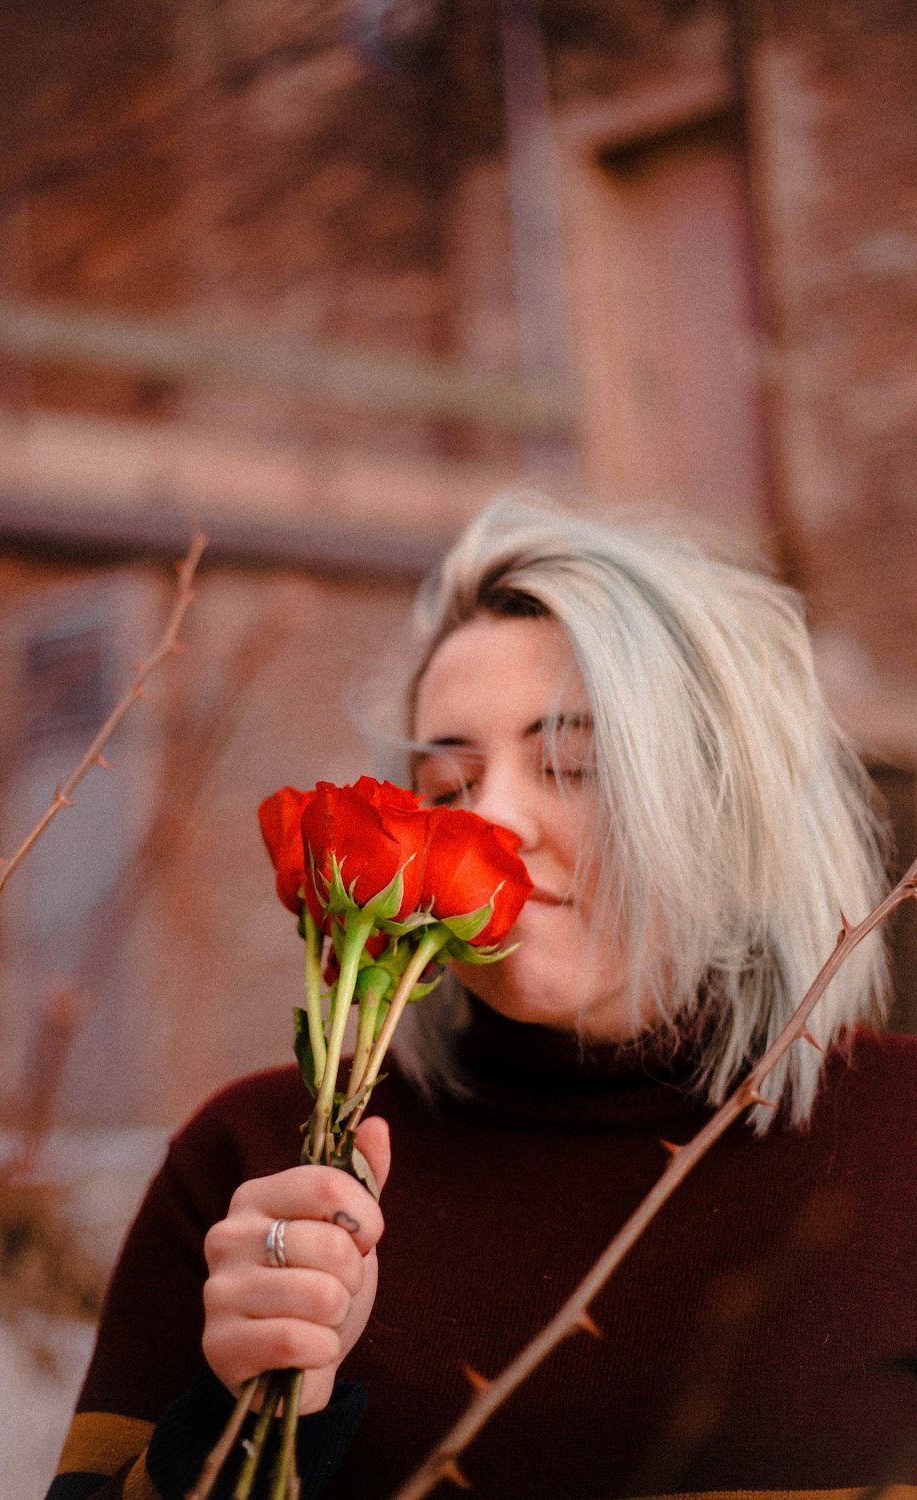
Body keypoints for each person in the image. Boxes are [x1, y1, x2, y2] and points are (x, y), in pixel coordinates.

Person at [47, 497, 917, 1500]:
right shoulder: (259, 1163)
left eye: (570, 765)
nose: (494, 818)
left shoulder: (900, 1138)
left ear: (729, 797)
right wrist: (236, 1418)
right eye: (449, 783)